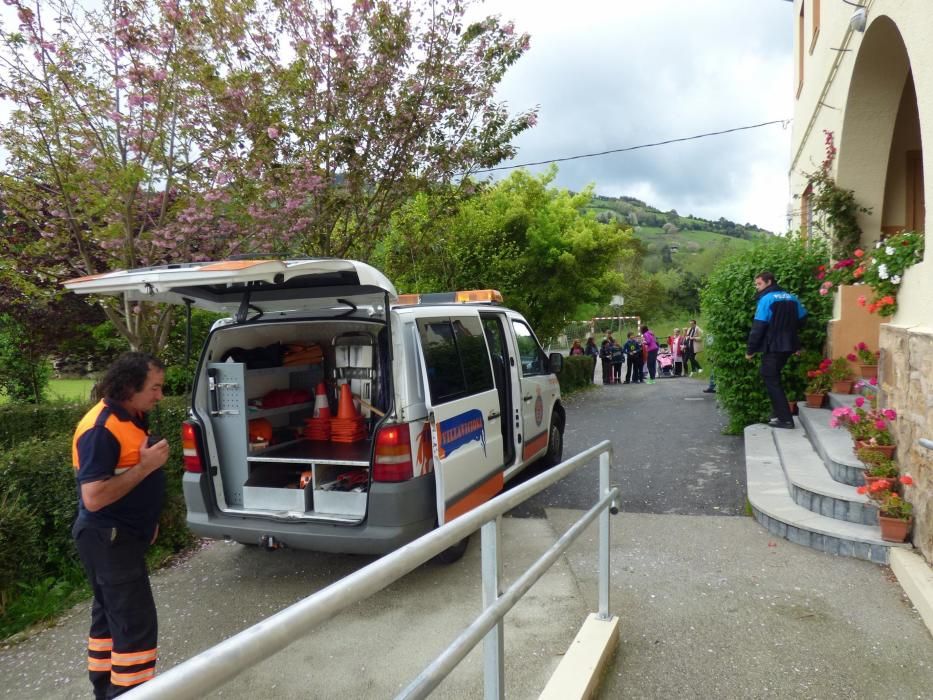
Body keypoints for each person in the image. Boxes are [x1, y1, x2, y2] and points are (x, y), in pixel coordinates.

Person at [72, 352, 169, 698]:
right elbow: (94, 497)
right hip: (108, 540)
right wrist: (146, 467)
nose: (160, 395)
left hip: (119, 539)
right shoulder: (100, 430)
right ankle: (131, 694)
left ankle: (105, 691)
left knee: (108, 621)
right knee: (134, 627)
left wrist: (148, 520)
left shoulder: (130, 414)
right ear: (129, 386)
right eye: (154, 388)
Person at [746, 271, 807, 429]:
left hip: (773, 346)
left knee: (770, 378)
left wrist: (750, 350)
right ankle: (778, 414)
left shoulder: (766, 299)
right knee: (773, 377)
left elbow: (758, 326)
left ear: (769, 282)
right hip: (789, 345)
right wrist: (793, 339)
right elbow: (802, 318)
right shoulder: (791, 297)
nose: (757, 287)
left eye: (759, 284)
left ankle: (785, 419)